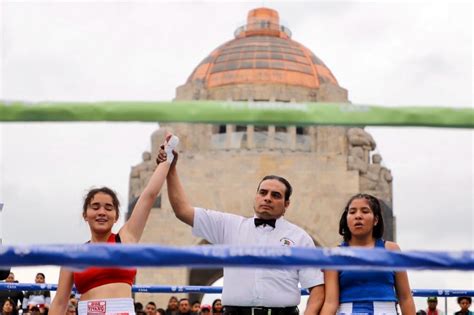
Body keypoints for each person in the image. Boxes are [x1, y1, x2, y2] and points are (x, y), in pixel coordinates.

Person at [158, 141, 325, 315]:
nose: (267, 198)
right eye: (263, 192)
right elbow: (182, 211)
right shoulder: (228, 226)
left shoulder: (300, 238)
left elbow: (317, 289)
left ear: (286, 204)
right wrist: (171, 169)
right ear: (256, 196)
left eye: (275, 195)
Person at [50, 134, 178, 315]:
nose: (102, 212)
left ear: (116, 216)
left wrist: (167, 159)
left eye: (108, 208)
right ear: (85, 215)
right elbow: (60, 303)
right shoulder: (73, 256)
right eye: (95, 207)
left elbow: (148, 196)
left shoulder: (126, 239)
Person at [320, 193, 416, 315]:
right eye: (352, 212)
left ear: (375, 219)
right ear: (346, 218)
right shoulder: (335, 254)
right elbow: (330, 302)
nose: (358, 216)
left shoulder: (391, 250)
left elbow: (405, 298)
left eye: (365, 211)